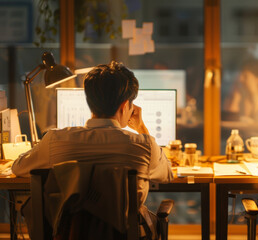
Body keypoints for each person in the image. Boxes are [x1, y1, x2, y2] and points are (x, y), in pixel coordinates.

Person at [12, 61, 173, 239]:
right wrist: (141, 128)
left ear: (89, 101)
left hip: (68, 235)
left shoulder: (54, 140)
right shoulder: (144, 145)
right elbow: (167, 173)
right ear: (126, 105)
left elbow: (18, 168)